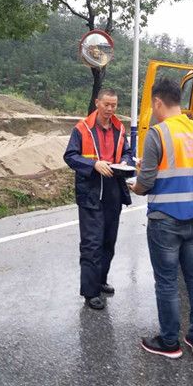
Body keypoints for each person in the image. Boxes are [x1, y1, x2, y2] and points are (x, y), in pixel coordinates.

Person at [129, 77, 193, 359]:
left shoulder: (157, 133)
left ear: (157, 102)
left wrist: (135, 185)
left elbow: (146, 183)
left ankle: (169, 342)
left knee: (167, 281)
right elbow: (183, 166)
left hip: (165, 219)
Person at [64, 88, 134, 310]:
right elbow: (70, 156)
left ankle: (101, 280)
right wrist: (93, 164)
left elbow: (127, 152)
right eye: (106, 104)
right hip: (91, 192)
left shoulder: (119, 128)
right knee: (92, 244)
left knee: (108, 242)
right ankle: (90, 292)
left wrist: (125, 161)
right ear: (97, 103)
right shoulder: (82, 128)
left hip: (113, 191)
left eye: (114, 105)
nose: (110, 109)